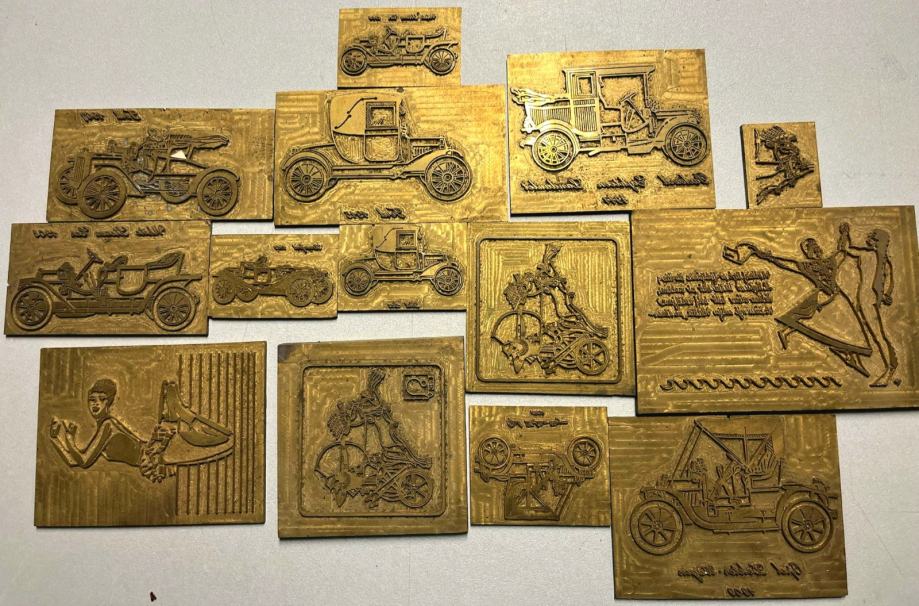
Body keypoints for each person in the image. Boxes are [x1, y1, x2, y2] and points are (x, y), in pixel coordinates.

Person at [742, 227, 872, 376]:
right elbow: (783, 262)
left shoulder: (829, 261)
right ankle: (851, 357)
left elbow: (841, 250)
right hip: (825, 298)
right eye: (811, 249)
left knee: (846, 329)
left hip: (836, 299)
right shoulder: (808, 266)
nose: (816, 251)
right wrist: (761, 254)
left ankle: (786, 332)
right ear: (808, 253)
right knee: (831, 329)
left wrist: (844, 234)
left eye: (816, 247)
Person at [841, 226, 898, 386]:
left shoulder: (867, 254)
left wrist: (844, 233)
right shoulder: (885, 260)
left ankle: (890, 368)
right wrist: (887, 295)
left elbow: (845, 248)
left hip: (867, 299)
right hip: (870, 299)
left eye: (871, 238)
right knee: (874, 334)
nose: (868, 240)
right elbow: (889, 280)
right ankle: (889, 365)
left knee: (877, 335)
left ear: (874, 241)